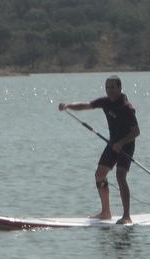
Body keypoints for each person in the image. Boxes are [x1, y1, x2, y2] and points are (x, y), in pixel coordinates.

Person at [59, 75, 140, 223]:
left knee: (120, 176)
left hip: (126, 145)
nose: (109, 90)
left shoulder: (127, 108)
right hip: (112, 144)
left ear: (120, 88)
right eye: (107, 87)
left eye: (113, 87)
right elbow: (86, 105)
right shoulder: (105, 102)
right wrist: (68, 106)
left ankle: (126, 216)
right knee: (99, 175)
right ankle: (105, 212)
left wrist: (121, 143)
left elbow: (136, 132)